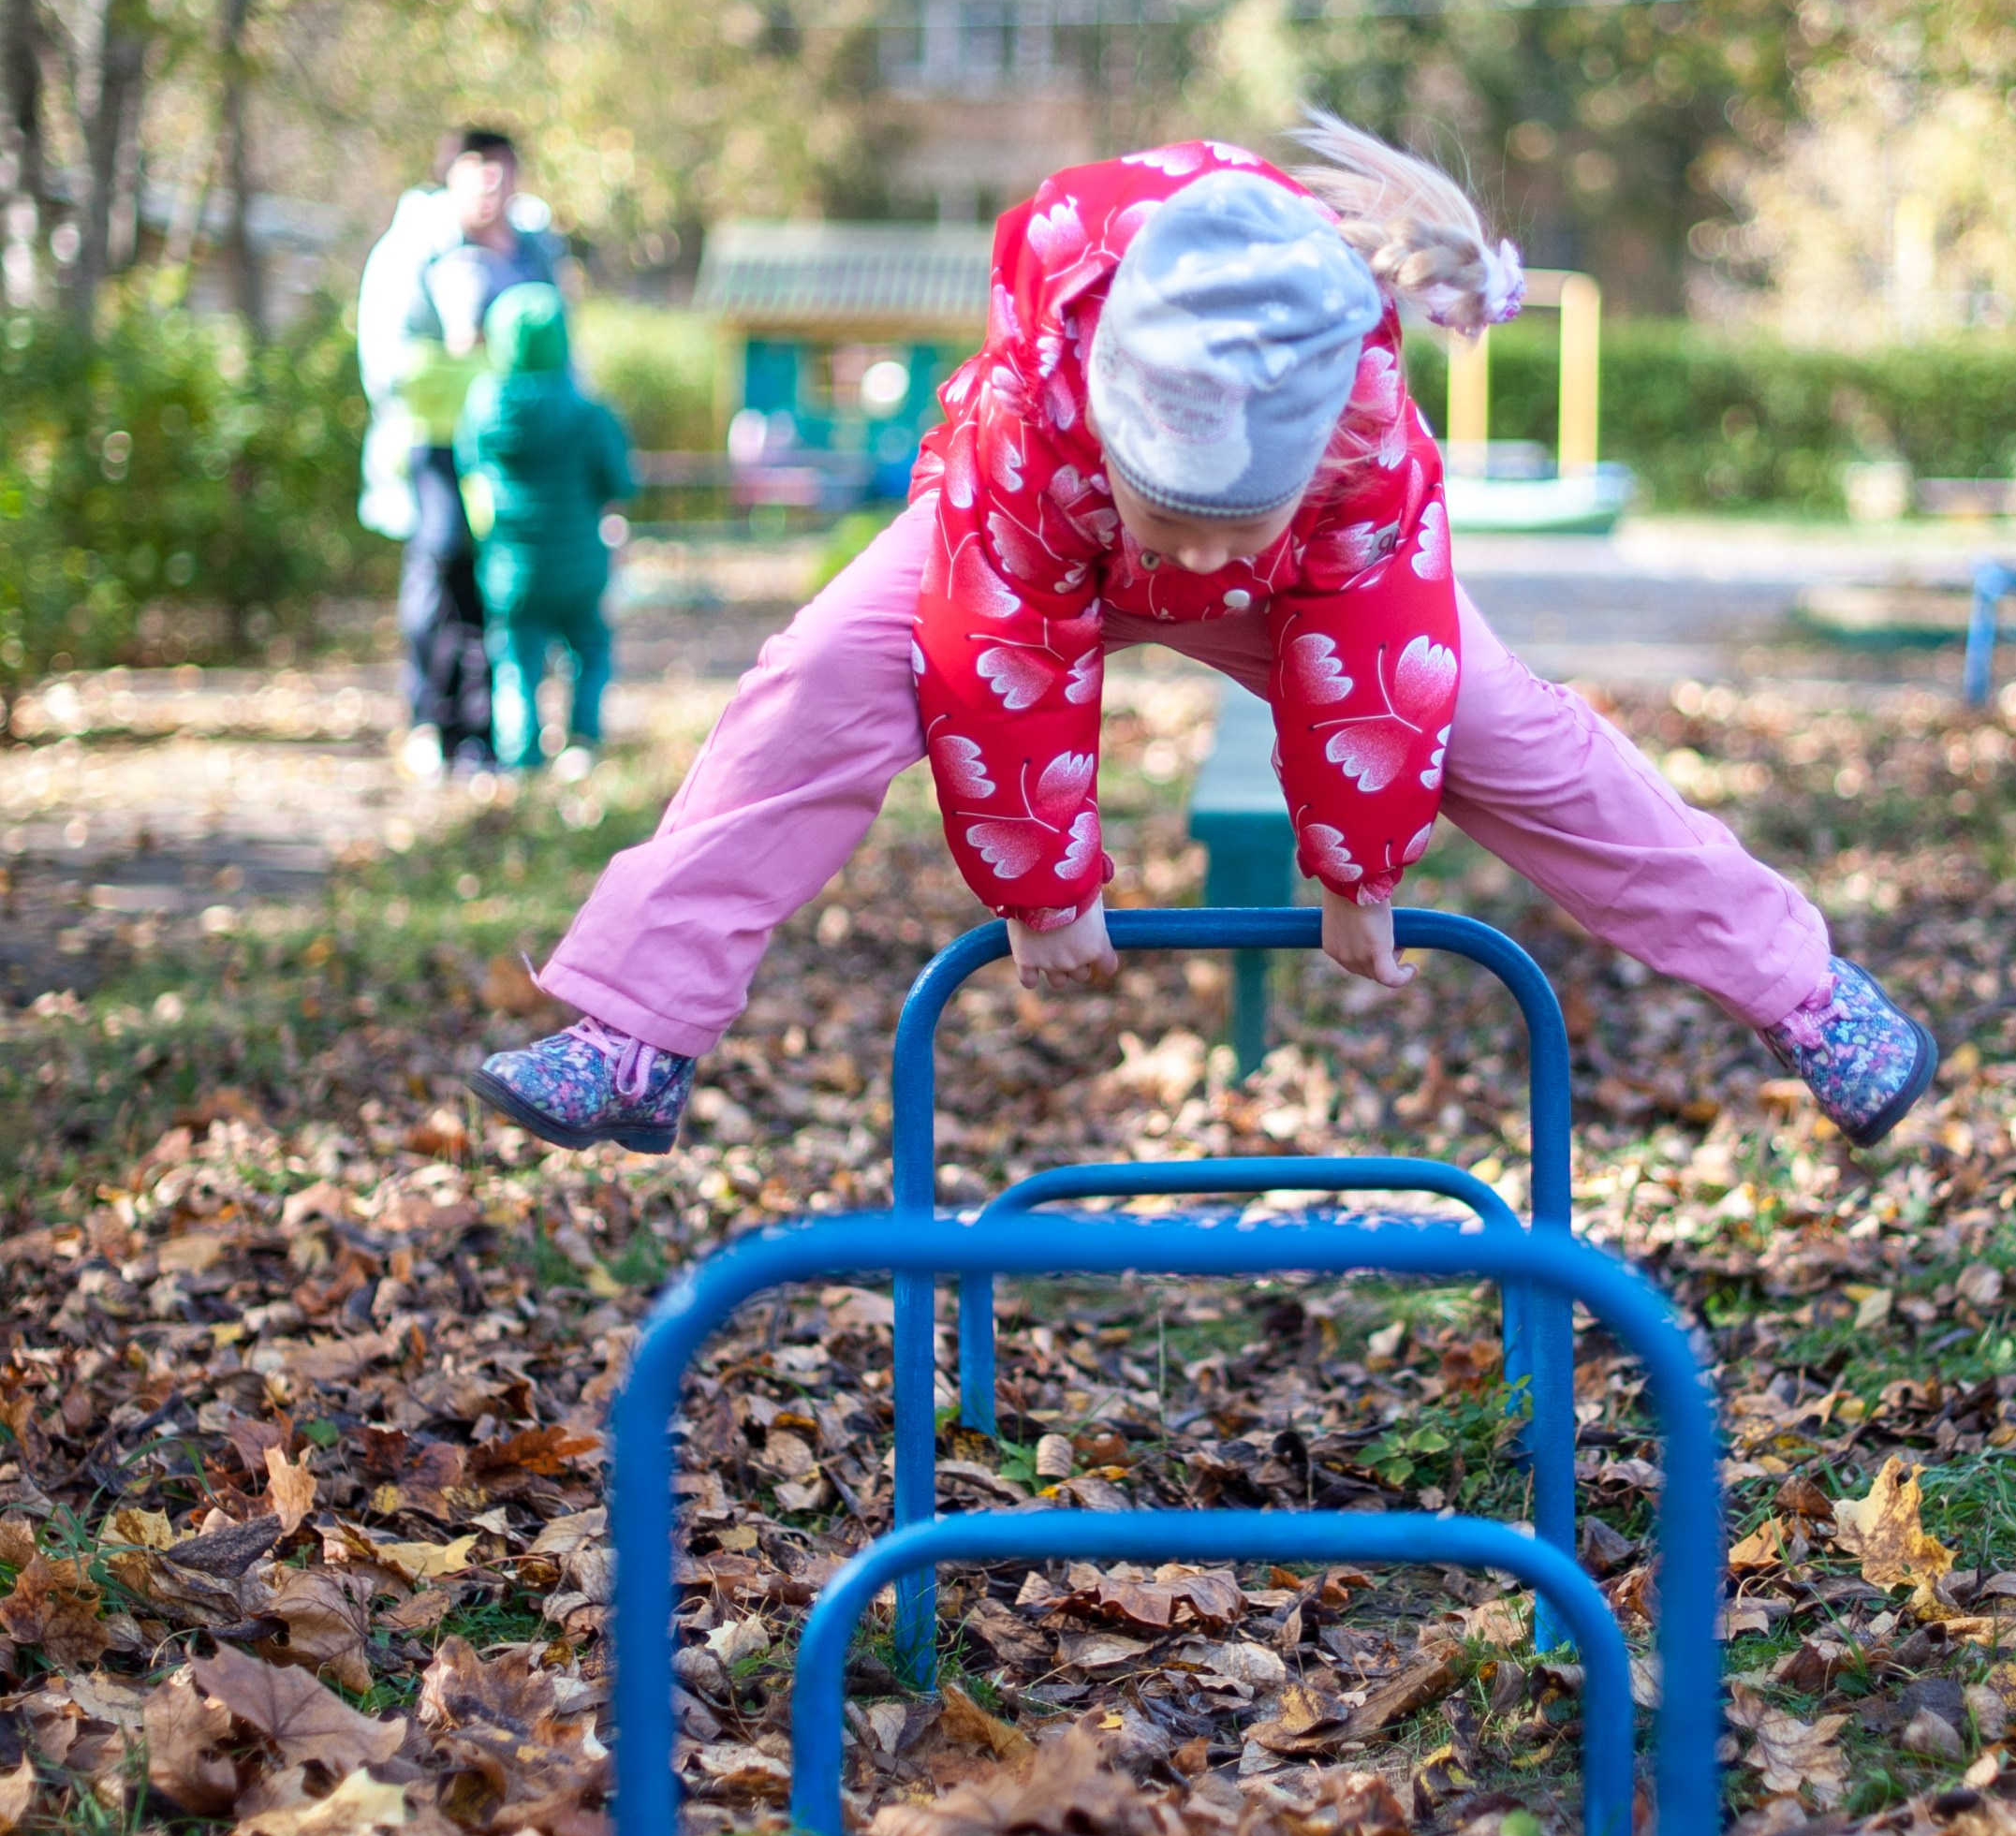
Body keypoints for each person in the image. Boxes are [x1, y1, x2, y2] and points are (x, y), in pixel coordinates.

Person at [468, 120, 1938, 1157]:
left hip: (1327, 575)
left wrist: (1357, 872)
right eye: (1177, 520)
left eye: (1227, 524)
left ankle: (1805, 994)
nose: (1198, 562)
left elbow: (1377, 661)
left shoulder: (1361, 441)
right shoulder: (1027, 419)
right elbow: (1002, 654)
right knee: (816, 676)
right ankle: (635, 1033)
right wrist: (1045, 891)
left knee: (1520, 739)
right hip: (1034, 537)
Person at [356, 125, 567, 778]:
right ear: (450, 176)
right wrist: (472, 367)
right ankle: (431, 718)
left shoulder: (536, 249)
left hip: (519, 450)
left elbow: (561, 345)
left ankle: (492, 732)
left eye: (503, 169)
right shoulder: (415, 249)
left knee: (503, 579)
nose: (491, 183)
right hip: (438, 443)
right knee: (443, 561)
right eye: (477, 168)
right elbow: (388, 365)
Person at [455, 284, 634, 772]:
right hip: (580, 563)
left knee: (516, 660)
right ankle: (582, 740)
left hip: (511, 565)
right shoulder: (589, 413)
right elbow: (618, 480)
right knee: (590, 649)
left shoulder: (483, 408)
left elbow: (468, 471)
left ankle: (520, 757)